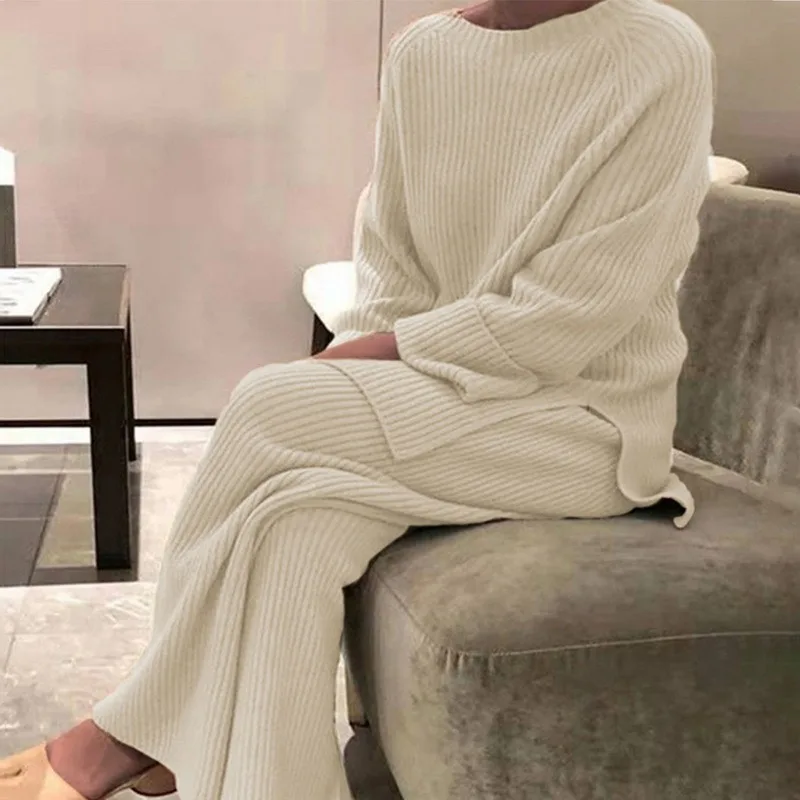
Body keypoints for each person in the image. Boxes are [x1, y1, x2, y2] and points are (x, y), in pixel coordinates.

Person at [0, 0, 715, 798]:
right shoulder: (424, 55)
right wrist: (368, 364)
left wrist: (385, 354)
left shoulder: (660, 51)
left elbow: (577, 312)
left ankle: (131, 729)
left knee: (267, 403)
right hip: (449, 402)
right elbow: (391, 271)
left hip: (585, 421)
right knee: (291, 526)